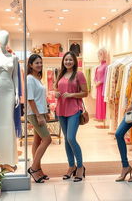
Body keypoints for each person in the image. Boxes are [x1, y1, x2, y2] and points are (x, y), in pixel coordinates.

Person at [55, 51, 88, 182]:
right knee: (66, 140)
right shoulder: (61, 73)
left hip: (74, 109)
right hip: (61, 109)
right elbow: (57, 89)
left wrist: (71, 94)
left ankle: (80, 167)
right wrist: (57, 93)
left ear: (75, 61)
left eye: (70, 60)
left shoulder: (79, 74)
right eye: (66, 60)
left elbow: (85, 93)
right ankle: (71, 166)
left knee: (71, 138)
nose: (68, 62)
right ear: (63, 61)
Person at [27, 54, 52, 183]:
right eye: (37, 63)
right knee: (47, 139)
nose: (39, 65)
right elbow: (30, 99)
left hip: (40, 112)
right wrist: (38, 115)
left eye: (41, 63)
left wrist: (45, 112)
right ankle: (33, 168)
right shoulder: (30, 79)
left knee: (37, 140)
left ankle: (38, 169)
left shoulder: (37, 78)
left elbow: (40, 98)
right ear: (30, 65)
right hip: (34, 113)